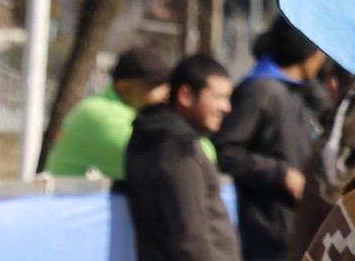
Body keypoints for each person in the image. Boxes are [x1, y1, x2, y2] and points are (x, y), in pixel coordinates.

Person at [214, 13, 327, 261]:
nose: (323, 57)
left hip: (298, 224)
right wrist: (282, 174)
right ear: (304, 52)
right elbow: (225, 152)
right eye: (319, 49)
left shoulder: (297, 91)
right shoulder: (260, 90)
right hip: (269, 230)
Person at [123, 54, 239, 261]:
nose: (226, 108)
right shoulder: (177, 148)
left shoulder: (160, 136)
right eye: (218, 97)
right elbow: (191, 239)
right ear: (186, 95)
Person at [46, 44, 171, 179]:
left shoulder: (110, 109)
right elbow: (165, 162)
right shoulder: (100, 115)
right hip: (71, 199)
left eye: (167, 84)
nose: (166, 93)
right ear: (125, 88)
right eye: (156, 86)